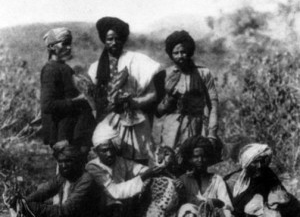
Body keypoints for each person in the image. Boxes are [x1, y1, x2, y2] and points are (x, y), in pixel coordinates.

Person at [88, 17, 161, 164]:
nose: (114, 43)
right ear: (104, 40)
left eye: (118, 38)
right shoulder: (96, 67)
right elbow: (96, 100)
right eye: (110, 39)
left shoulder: (138, 60)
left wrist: (133, 102)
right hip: (109, 120)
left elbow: (153, 95)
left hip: (136, 120)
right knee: (112, 161)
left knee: (139, 161)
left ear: (124, 39)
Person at [86, 119, 165, 217]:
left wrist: (154, 169)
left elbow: (138, 168)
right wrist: (144, 176)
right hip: (101, 211)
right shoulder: (93, 167)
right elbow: (115, 192)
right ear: (96, 151)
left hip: (120, 208)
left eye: (111, 149)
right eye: (104, 150)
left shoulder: (119, 161)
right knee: (120, 207)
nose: (109, 154)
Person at [24, 145, 108, 217]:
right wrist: (24, 202)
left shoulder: (86, 179)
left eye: (68, 161)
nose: (64, 165)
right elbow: (43, 192)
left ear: (78, 163)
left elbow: (67, 209)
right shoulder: (63, 177)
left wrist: (34, 208)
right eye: (60, 162)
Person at [156, 30, 219, 154]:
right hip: (171, 129)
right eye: (176, 53)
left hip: (197, 126)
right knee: (170, 161)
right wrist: (169, 99)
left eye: (183, 52)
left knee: (195, 159)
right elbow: (158, 112)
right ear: (170, 54)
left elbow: (213, 105)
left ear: (189, 52)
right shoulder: (164, 75)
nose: (180, 56)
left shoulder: (203, 73)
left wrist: (212, 133)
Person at [41, 27, 95, 151]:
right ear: (52, 47)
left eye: (69, 44)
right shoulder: (50, 70)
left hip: (71, 133)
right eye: (64, 44)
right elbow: (47, 105)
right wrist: (78, 100)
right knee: (68, 168)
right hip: (62, 136)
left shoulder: (64, 68)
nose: (69, 47)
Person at [231, 143, 292, 217]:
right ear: (247, 163)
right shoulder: (235, 180)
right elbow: (230, 207)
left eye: (262, 161)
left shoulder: (267, 173)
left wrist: (269, 206)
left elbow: (284, 198)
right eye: (255, 162)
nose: (259, 165)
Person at [177, 136, 233, 217]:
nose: (200, 160)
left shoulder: (217, 179)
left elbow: (227, 204)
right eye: (195, 157)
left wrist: (214, 203)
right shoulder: (183, 180)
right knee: (188, 209)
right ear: (189, 159)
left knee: (225, 213)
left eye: (203, 156)